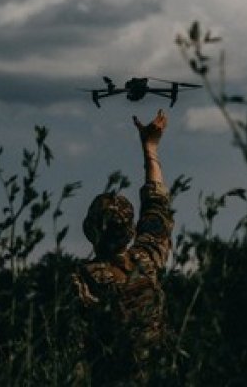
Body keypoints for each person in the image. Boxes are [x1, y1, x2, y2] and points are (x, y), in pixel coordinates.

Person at [72, 109, 174, 385]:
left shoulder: (83, 280)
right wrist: (150, 147)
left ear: (91, 231)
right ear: (131, 231)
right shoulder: (148, 258)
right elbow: (156, 204)